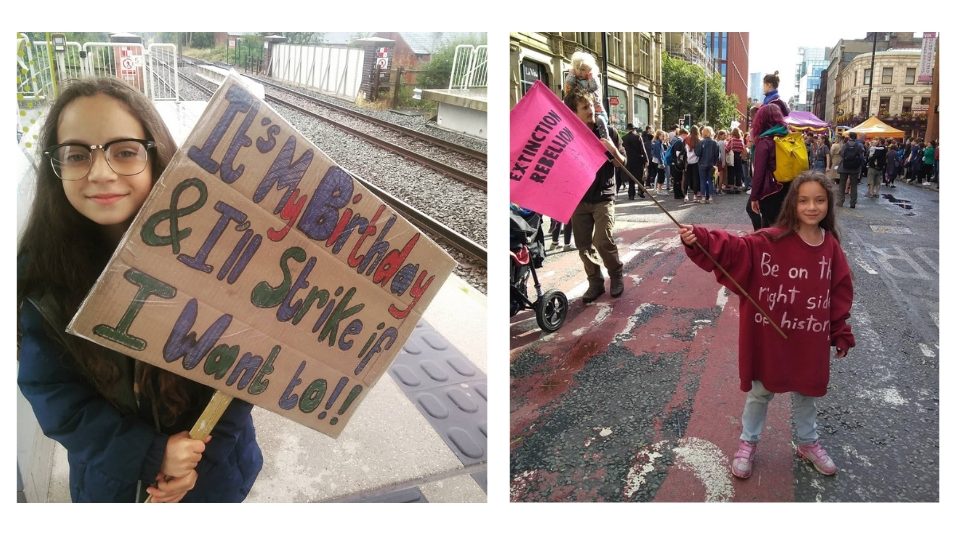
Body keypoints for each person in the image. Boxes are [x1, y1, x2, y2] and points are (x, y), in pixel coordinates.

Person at [17, 77, 263, 502]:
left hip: (214, 477)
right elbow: (52, 393)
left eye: (124, 151)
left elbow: (245, 370)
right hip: (114, 486)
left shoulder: (214, 252)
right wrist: (150, 455)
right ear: (55, 167)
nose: (99, 172)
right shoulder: (43, 273)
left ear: (156, 155)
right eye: (76, 155)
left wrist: (196, 462)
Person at [679, 171, 855, 479]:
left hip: (809, 340)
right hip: (771, 336)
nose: (811, 207)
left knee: (806, 393)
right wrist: (702, 238)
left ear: (829, 205)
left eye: (819, 200)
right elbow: (737, 249)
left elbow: (838, 292)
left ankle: (808, 442)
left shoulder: (831, 247)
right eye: (803, 200)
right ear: (792, 204)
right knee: (759, 393)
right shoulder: (772, 240)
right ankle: (748, 442)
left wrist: (840, 331)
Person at [564, 88, 626, 302]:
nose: (590, 110)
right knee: (583, 245)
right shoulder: (568, 135)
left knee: (601, 239)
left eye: (591, 105)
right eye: (584, 107)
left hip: (603, 195)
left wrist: (612, 149)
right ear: (573, 113)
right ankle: (595, 282)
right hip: (579, 197)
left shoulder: (607, 131)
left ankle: (616, 273)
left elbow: (621, 163)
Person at [749, 103, 790, 227]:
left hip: (771, 189)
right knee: (780, 224)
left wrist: (754, 197)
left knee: (769, 225)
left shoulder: (765, 141)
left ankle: (760, 240)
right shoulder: (788, 137)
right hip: (789, 188)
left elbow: (759, 173)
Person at [564, 50, 610, 141]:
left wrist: (591, 78)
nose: (581, 72)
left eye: (584, 69)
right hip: (580, 113)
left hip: (597, 109)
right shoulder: (573, 79)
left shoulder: (593, 78)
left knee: (601, 120)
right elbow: (569, 87)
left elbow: (594, 87)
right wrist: (571, 74)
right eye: (579, 69)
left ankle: (605, 138)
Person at [837, 132, 865, 208]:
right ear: (856, 137)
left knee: (842, 185)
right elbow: (862, 157)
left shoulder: (845, 145)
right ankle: (852, 203)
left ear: (849, 137)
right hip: (855, 168)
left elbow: (841, 154)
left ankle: (840, 201)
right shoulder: (859, 146)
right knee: (854, 186)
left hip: (844, 167)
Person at [622, 123, 648, 199]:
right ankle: (640, 191)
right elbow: (643, 149)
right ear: (634, 129)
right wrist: (646, 159)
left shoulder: (624, 138)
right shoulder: (638, 137)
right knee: (640, 177)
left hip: (628, 160)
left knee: (631, 178)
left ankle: (631, 194)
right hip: (638, 160)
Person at [696, 126, 721, 204]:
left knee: (702, 180)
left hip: (702, 164)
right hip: (711, 164)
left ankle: (703, 197)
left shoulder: (701, 142)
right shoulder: (715, 143)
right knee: (710, 180)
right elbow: (717, 155)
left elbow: (697, 153)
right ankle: (710, 197)